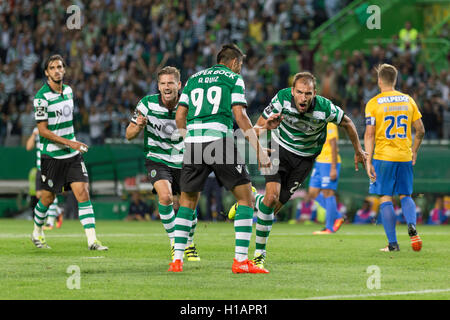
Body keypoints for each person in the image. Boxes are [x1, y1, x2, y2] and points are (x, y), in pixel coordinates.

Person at [231, 71, 367, 271]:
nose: (304, 98)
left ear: (315, 93)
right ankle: (259, 255)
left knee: (272, 209)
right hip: (279, 148)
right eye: (300, 93)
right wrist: (266, 128)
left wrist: (358, 150)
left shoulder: (325, 108)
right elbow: (255, 129)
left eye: (308, 94)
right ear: (293, 91)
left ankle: (252, 199)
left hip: (305, 159)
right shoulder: (281, 99)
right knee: (271, 198)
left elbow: (347, 122)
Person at [172, 43, 277, 273]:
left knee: (188, 202)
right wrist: (259, 151)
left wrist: (185, 140)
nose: (239, 70)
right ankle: (240, 261)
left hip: (193, 145)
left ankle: (177, 260)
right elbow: (239, 115)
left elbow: (180, 115)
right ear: (235, 63)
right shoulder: (233, 78)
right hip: (219, 141)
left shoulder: (193, 79)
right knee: (246, 198)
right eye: (240, 66)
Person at [30, 54, 107, 251]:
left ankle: (92, 240)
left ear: (64, 70)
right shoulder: (41, 98)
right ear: (47, 72)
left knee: (83, 192)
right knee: (48, 198)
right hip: (52, 156)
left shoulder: (69, 91)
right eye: (52, 67)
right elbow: (43, 130)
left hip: (72, 156)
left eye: (60, 67)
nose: (57, 70)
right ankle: (37, 231)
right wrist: (69, 143)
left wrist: (72, 146)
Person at [126, 66, 200, 261]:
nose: (166, 87)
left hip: (184, 159)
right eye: (162, 83)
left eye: (170, 83)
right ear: (158, 86)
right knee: (166, 197)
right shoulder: (146, 105)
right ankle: (175, 241)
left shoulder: (190, 105)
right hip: (157, 159)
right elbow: (128, 134)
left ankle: (189, 242)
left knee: (188, 207)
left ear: (179, 85)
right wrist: (139, 126)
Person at [365, 63, 425, 252]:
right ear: (395, 80)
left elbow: (369, 134)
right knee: (406, 195)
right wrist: (414, 150)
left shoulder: (374, 103)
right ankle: (412, 226)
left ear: (379, 80)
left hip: (383, 157)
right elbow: (421, 130)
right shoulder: (408, 100)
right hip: (404, 155)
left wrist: (367, 160)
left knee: (385, 197)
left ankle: (393, 244)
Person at [309, 122, 345, 234]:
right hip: (319, 162)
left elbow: (334, 144)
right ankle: (338, 216)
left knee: (328, 193)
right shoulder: (316, 122)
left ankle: (329, 228)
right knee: (312, 192)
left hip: (329, 162)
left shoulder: (330, 124)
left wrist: (333, 167)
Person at [26, 127, 63, 230]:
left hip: (50, 166)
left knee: (50, 192)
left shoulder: (53, 128)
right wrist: (33, 135)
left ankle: (50, 222)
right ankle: (59, 212)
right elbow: (28, 147)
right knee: (40, 195)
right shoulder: (36, 130)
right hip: (39, 167)